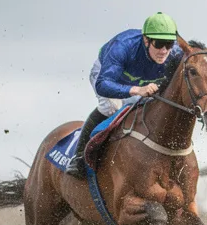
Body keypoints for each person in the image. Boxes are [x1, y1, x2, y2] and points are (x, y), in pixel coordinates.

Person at [66, 13, 183, 178]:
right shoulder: (122, 46)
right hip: (108, 76)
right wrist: (137, 90)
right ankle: (78, 158)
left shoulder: (175, 53)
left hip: (143, 80)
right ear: (146, 40)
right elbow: (103, 84)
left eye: (169, 44)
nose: (164, 51)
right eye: (159, 44)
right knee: (111, 107)